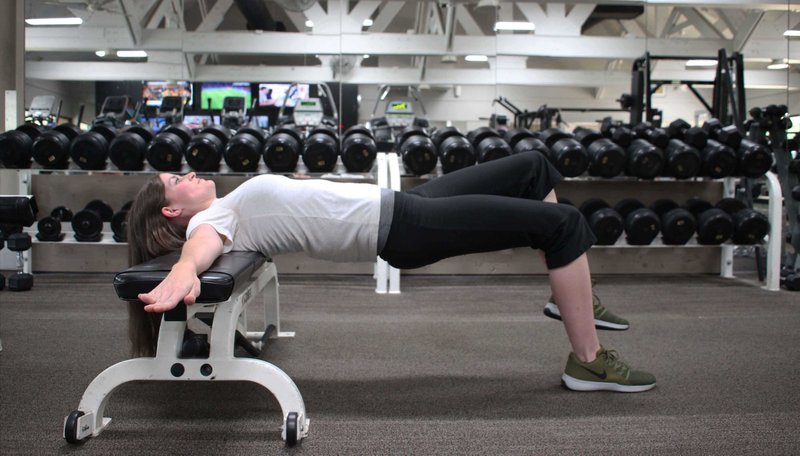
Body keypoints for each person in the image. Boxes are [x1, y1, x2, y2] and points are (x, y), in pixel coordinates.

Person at [127, 151, 655, 393]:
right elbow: (200, 246)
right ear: (171, 210)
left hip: (404, 203)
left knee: (533, 166)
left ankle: (573, 300)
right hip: (406, 228)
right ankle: (587, 361)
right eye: (178, 178)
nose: (189, 172)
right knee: (563, 225)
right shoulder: (216, 218)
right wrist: (183, 272)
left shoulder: (233, 200)